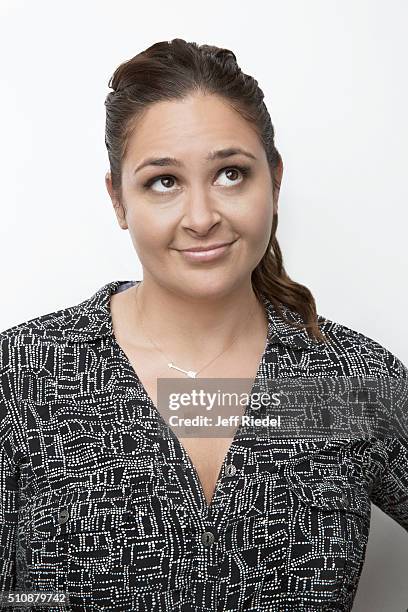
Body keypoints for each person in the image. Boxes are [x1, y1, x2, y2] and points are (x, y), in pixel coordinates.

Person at [0, 38, 407, 612]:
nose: (201, 217)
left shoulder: (349, 381)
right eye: (164, 181)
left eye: (231, 174)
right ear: (118, 200)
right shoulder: (24, 375)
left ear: (276, 181)